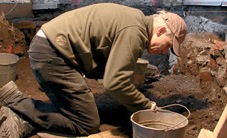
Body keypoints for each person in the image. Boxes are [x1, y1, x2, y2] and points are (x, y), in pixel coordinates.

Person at [0, 3, 187, 137]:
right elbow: (114, 83)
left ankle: (57, 99)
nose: (164, 51)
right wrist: (146, 106)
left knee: (94, 96)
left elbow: (111, 66)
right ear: (161, 31)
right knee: (86, 124)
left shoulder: (135, 20)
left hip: (52, 48)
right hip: (52, 54)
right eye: (168, 45)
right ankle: (18, 101)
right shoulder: (135, 31)